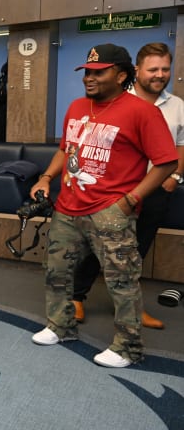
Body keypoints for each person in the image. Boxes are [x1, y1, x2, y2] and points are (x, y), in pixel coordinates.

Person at [29, 43, 178, 368]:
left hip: (111, 212)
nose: (89, 78)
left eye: (99, 72)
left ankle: (127, 347)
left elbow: (167, 163)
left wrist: (130, 201)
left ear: (121, 75)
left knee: (121, 282)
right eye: (87, 72)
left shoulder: (142, 112)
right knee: (56, 273)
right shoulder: (77, 107)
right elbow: (65, 151)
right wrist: (45, 178)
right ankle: (60, 326)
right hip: (68, 208)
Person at [71, 42, 184, 330]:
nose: (160, 74)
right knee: (97, 248)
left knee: (136, 250)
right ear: (135, 71)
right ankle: (76, 297)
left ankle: (128, 305)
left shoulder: (178, 106)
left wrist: (174, 178)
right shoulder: (114, 98)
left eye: (165, 69)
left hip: (155, 190)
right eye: (153, 69)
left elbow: (180, 147)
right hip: (116, 191)